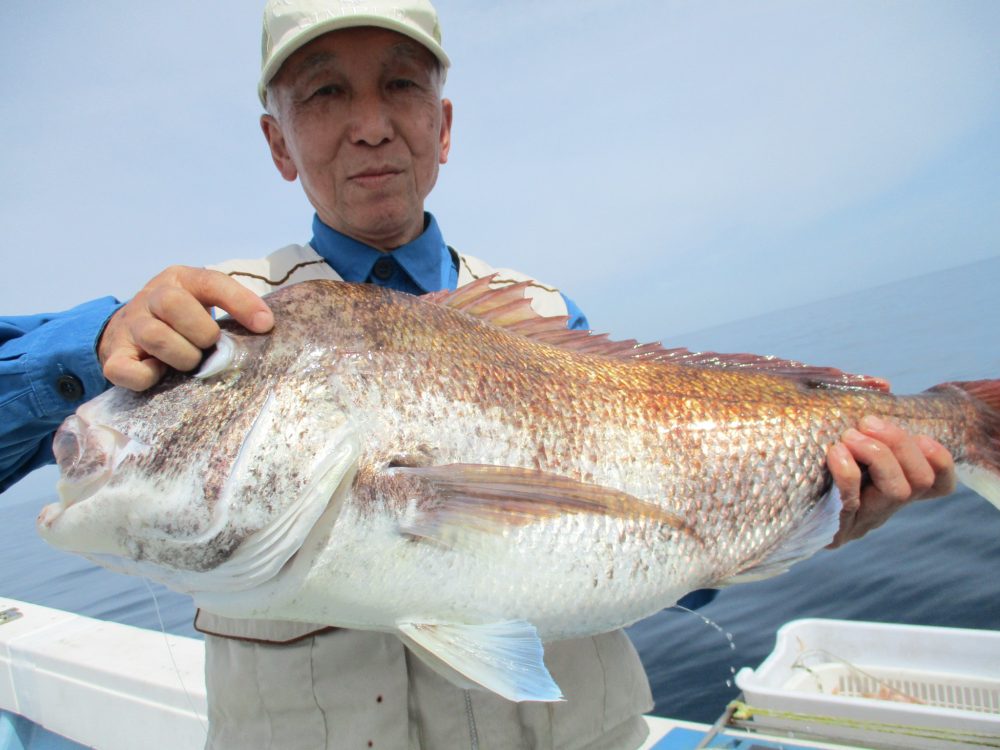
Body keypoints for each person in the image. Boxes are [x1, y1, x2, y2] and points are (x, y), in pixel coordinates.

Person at [0, 1, 957, 748]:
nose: (370, 125)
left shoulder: (545, 322)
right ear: (277, 141)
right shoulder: (206, 324)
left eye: (401, 87)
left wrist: (822, 514)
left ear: (442, 124)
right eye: (326, 94)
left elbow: (666, 566)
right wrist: (87, 352)